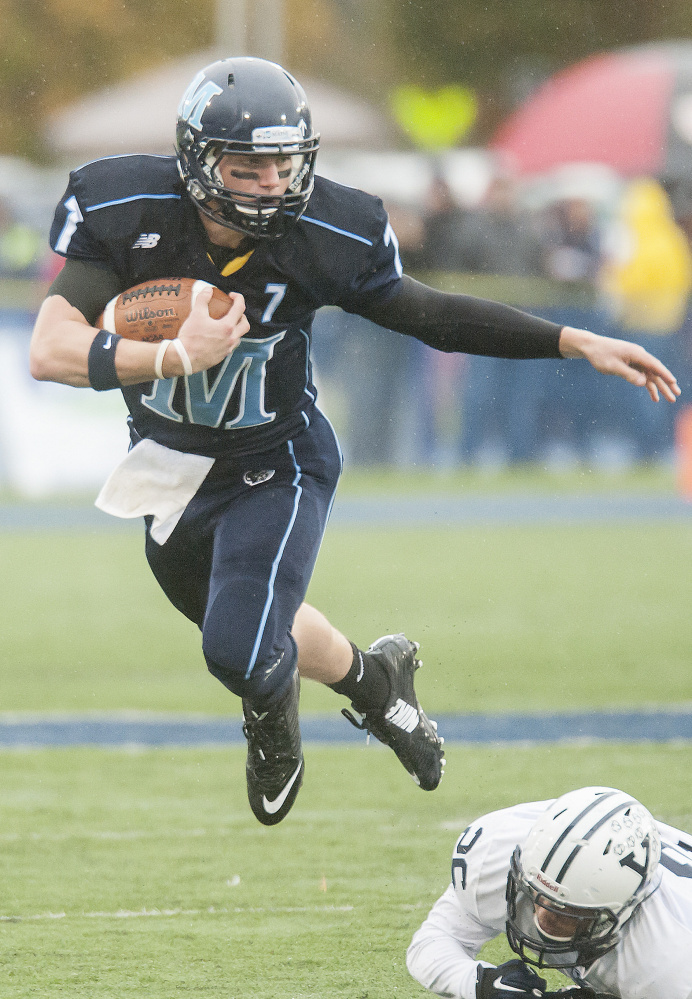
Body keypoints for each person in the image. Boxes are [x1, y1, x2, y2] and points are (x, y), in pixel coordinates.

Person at [29, 58, 679, 827]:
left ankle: (274, 729)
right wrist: (172, 355)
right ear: (197, 163)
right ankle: (377, 683)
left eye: (282, 164)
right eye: (247, 166)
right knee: (256, 621)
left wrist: (572, 339)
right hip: (170, 465)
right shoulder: (128, 204)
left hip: (279, 462)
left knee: (239, 647)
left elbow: (433, 316)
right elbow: (49, 350)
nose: (270, 184)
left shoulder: (327, 232)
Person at [406, 786, 692, 999]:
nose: (544, 917)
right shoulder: (498, 854)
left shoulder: (670, 959)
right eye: (537, 896)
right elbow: (432, 942)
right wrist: (480, 982)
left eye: (569, 912)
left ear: (623, 911)